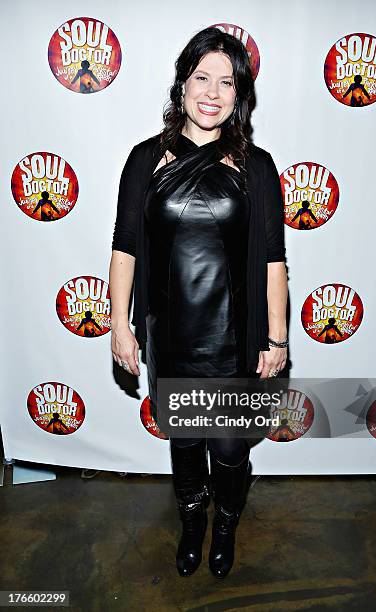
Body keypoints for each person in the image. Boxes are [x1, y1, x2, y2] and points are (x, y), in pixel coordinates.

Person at [109, 27, 288, 579]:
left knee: (231, 450)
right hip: (172, 334)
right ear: (182, 85)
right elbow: (125, 248)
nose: (212, 92)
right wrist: (120, 326)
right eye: (201, 78)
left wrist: (277, 338)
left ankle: (227, 521)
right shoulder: (145, 160)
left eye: (226, 82)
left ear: (240, 96)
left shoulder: (257, 167)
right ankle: (192, 521)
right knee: (185, 444)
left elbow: (273, 262)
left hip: (236, 340)